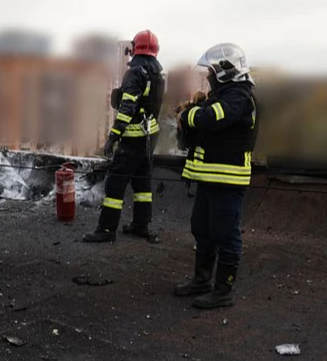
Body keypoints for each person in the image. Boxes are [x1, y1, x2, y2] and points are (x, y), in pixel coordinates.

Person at [173, 43, 259, 309]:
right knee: (202, 228)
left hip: (228, 179)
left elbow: (210, 119)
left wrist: (188, 114)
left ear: (226, 70)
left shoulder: (240, 97)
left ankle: (222, 292)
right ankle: (201, 280)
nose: (209, 75)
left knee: (225, 234)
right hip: (210, 178)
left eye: (212, 70)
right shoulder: (224, 94)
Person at [84, 29, 165, 243]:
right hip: (149, 138)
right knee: (142, 184)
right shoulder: (157, 76)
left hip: (133, 138)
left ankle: (107, 229)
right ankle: (141, 225)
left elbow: (127, 108)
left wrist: (113, 137)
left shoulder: (136, 73)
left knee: (115, 183)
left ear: (134, 49)